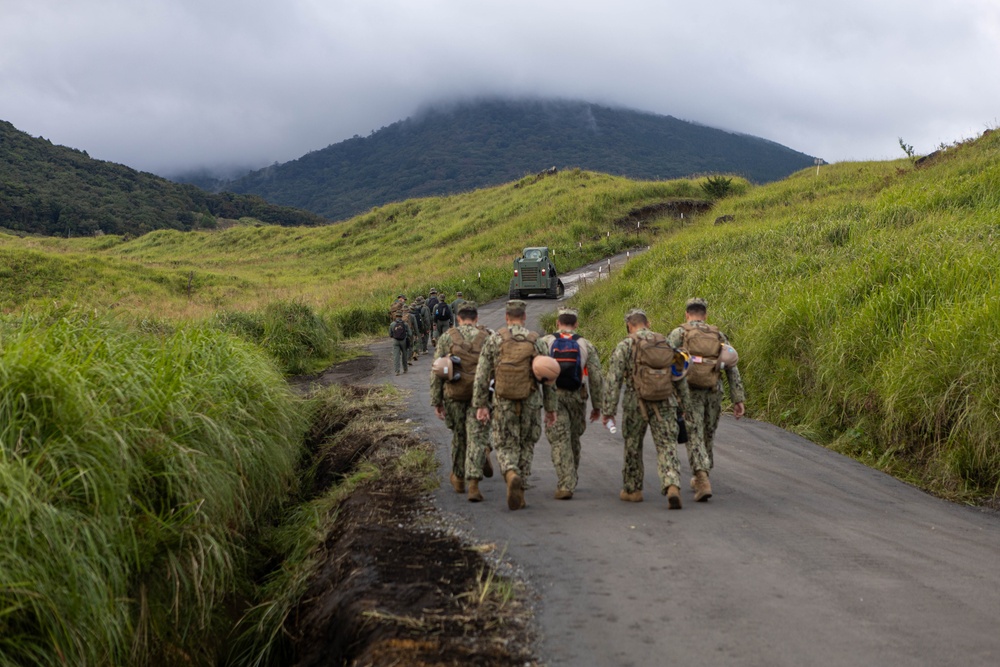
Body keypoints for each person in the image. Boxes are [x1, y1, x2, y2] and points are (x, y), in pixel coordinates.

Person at [601, 308, 693, 509]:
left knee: (633, 445)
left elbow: (613, 379)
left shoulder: (626, 345)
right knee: (666, 445)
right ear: (648, 323)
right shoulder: (666, 343)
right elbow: (679, 376)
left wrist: (608, 410)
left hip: (636, 402)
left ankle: (632, 490)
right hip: (665, 401)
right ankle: (671, 485)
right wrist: (685, 406)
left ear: (629, 326)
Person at [473, 299, 557, 511]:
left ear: (507, 318)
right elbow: (548, 378)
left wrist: (481, 404)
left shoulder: (495, 340)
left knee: (503, 443)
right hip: (530, 401)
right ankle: (521, 486)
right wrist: (551, 408)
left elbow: (482, 375)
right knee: (526, 443)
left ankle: (510, 472)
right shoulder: (535, 341)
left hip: (503, 401)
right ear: (524, 317)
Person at [667, 297, 746, 501]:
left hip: (689, 392)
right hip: (713, 390)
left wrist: (670, 393)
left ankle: (701, 478)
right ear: (705, 315)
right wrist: (738, 399)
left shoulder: (680, 333)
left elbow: (668, 363)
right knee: (708, 433)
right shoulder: (717, 334)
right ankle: (703, 473)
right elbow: (731, 365)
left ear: (687, 314)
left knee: (694, 434)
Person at [430, 302, 493, 501]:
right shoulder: (487, 338)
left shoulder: (447, 337)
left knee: (459, 436)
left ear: (458, 318)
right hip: (480, 397)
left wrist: (437, 400)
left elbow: (437, 371)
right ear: (476, 319)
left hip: (454, 396)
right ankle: (473, 484)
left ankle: (458, 477)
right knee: (477, 438)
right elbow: (496, 369)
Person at [541, 308, 604, 499]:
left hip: (554, 395)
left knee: (560, 439)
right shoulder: (585, 344)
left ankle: (565, 483)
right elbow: (596, 377)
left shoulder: (545, 342)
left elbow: (535, 370)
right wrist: (597, 405)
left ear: (557, 323)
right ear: (576, 324)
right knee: (574, 437)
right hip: (578, 396)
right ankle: (572, 475)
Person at [389, 310, 411, 376]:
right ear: (401, 316)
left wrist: (394, 336)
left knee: (396, 356)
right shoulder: (405, 324)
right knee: (404, 355)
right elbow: (410, 333)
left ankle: (397, 371)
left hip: (395, 341)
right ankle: (405, 369)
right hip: (403, 341)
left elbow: (390, 334)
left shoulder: (392, 324)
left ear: (395, 316)